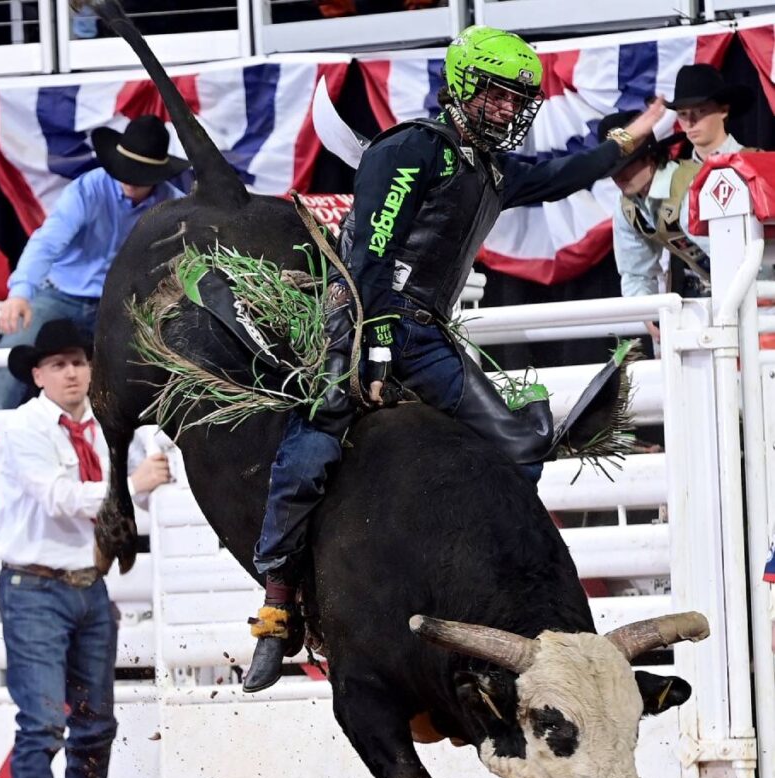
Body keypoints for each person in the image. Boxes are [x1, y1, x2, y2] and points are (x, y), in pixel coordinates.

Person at [242, 24, 666, 693]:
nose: (505, 109)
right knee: (313, 446)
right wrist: (373, 353)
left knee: (520, 439)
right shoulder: (415, 149)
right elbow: (369, 258)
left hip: (426, 332)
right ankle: (276, 611)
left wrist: (627, 138)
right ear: (462, 89)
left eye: (514, 100)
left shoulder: (489, 166)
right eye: (494, 96)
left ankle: (473, 574)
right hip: (362, 319)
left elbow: (561, 175)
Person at [0, 319, 171, 778]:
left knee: (92, 724)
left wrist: (140, 472)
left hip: (82, 586)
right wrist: (130, 483)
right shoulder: (23, 427)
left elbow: (154, 463)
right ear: (39, 374)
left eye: (79, 362)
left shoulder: (107, 427)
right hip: (36, 588)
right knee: (44, 723)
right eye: (59, 364)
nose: (71, 372)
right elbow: (57, 498)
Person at [0, 114, 189, 411]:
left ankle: (149, 447)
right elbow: (47, 241)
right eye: (126, 170)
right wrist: (21, 291)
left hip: (123, 306)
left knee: (159, 365)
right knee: (10, 358)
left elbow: (185, 260)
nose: (129, 179)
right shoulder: (87, 190)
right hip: (60, 294)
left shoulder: (173, 206)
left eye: (138, 174)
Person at [604, 65, 753, 351]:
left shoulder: (740, 167)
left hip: (756, 294)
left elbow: (736, 256)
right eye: (683, 114)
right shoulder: (637, 203)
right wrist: (647, 310)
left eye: (700, 111)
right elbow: (636, 271)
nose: (690, 122)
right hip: (706, 303)